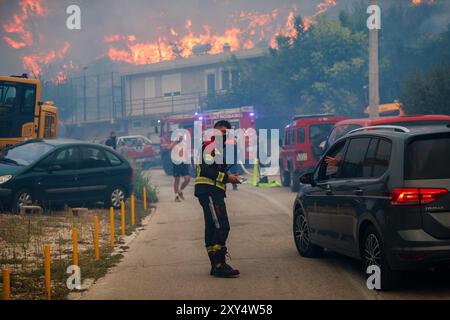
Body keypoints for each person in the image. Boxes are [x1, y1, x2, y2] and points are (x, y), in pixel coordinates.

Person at [195, 120, 242, 278]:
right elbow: (207, 170)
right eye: (222, 132)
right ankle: (219, 264)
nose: (224, 135)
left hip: (212, 192)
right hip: (209, 191)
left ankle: (215, 265)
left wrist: (228, 177)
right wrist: (228, 178)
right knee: (222, 226)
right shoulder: (210, 145)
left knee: (212, 227)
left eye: (227, 133)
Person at [167, 136, 191, 202]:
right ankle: (176, 196)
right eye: (179, 136)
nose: (180, 138)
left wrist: (189, 164)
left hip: (184, 163)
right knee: (177, 180)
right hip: (176, 163)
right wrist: (175, 141)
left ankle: (180, 191)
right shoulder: (174, 144)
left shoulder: (184, 144)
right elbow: (168, 148)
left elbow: (186, 154)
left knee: (187, 179)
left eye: (181, 136)